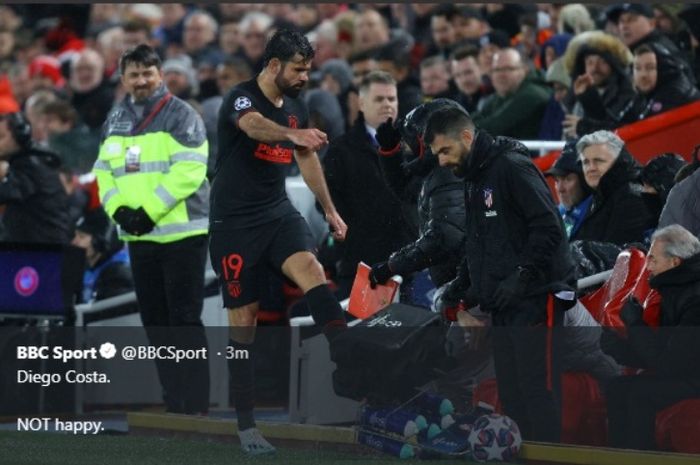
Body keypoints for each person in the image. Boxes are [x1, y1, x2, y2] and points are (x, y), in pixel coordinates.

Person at [209, 29, 348, 455]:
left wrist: (329, 209)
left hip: (275, 213)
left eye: (308, 68)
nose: (306, 77)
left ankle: (349, 359)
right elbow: (253, 128)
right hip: (233, 222)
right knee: (243, 325)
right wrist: (294, 136)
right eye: (299, 69)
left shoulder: (298, 107)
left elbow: (306, 158)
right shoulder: (242, 97)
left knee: (313, 269)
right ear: (274, 66)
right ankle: (247, 425)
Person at [426, 106, 576, 442]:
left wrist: (521, 276)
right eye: (437, 154)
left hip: (537, 299)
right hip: (504, 303)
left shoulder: (511, 167)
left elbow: (549, 227)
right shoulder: (475, 177)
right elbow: (479, 243)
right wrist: (461, 287)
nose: (442, 162)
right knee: (512, 393)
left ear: (466, 137)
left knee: (538, 390)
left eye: (445, 151)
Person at [93, 44, 211, 416]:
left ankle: (194, 406)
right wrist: (120, 212)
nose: (142, 80)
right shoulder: (114, 118)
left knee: (184, 321)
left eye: (148, 73)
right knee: (155, 325)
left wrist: (147, 212)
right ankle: (172, 401)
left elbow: (190, 170)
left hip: (183, 235)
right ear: (123, 79)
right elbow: (103, 173)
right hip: (139, 236)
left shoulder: (182, 115)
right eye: (134, 74)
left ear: (160, 74)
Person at [602, 225, 700, 450]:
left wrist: (636, 325)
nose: (648, 267)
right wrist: (620, 348)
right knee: (618, 388)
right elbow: (662, 353)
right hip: (685, 372)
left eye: (653, 259)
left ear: (675, 262)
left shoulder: (694, 300)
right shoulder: (674, 289)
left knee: (640, 395)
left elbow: (670, 364)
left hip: (693, 377)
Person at [322, 71, 414, 299]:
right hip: (362, 261)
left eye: (391, 99)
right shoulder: (341, 150)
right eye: (379, 99)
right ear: (361, 103)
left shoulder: (414, 147)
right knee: (362, 332)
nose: (387, 105)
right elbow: (327, 202)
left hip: (410, 260)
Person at [368, 98, 466, 292]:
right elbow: (406, 191)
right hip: (457, 281)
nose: (410, 146)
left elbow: (444, 237)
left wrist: (391, 266)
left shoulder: (449, 172)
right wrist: (390, 153)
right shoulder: (437, 170)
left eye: (413, 140)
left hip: (468, 288)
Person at [571, 130, 656, 245]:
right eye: (586, 162)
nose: (591, 168)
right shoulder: (600, 195)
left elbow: (617, 253)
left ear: (618, 161)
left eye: (598, 161)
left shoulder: (631, 196)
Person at [0, 111, 71, 244]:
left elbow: (7, 192)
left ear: (20, 136)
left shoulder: (32, 165)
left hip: (46, 253)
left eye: (1, 137)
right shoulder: (29, 161)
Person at [472, 48, 552, 139]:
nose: (501, 75)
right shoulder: (501, 95)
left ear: (524, 70)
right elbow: (474, 119)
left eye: (508, 69)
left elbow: (494, 126)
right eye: (496, 70)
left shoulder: (533, 94)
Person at [71, 206, 133, 303]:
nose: (74, 242)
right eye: (75, 236)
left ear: (99, 242)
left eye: (81, 237)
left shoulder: (117, 276)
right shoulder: (85, 269)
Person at [545, 141, 593, 240]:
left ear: (585, 180)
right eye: (557, 180)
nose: (560, 189)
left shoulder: (602, 213)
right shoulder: (560, 212)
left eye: (568, 179)